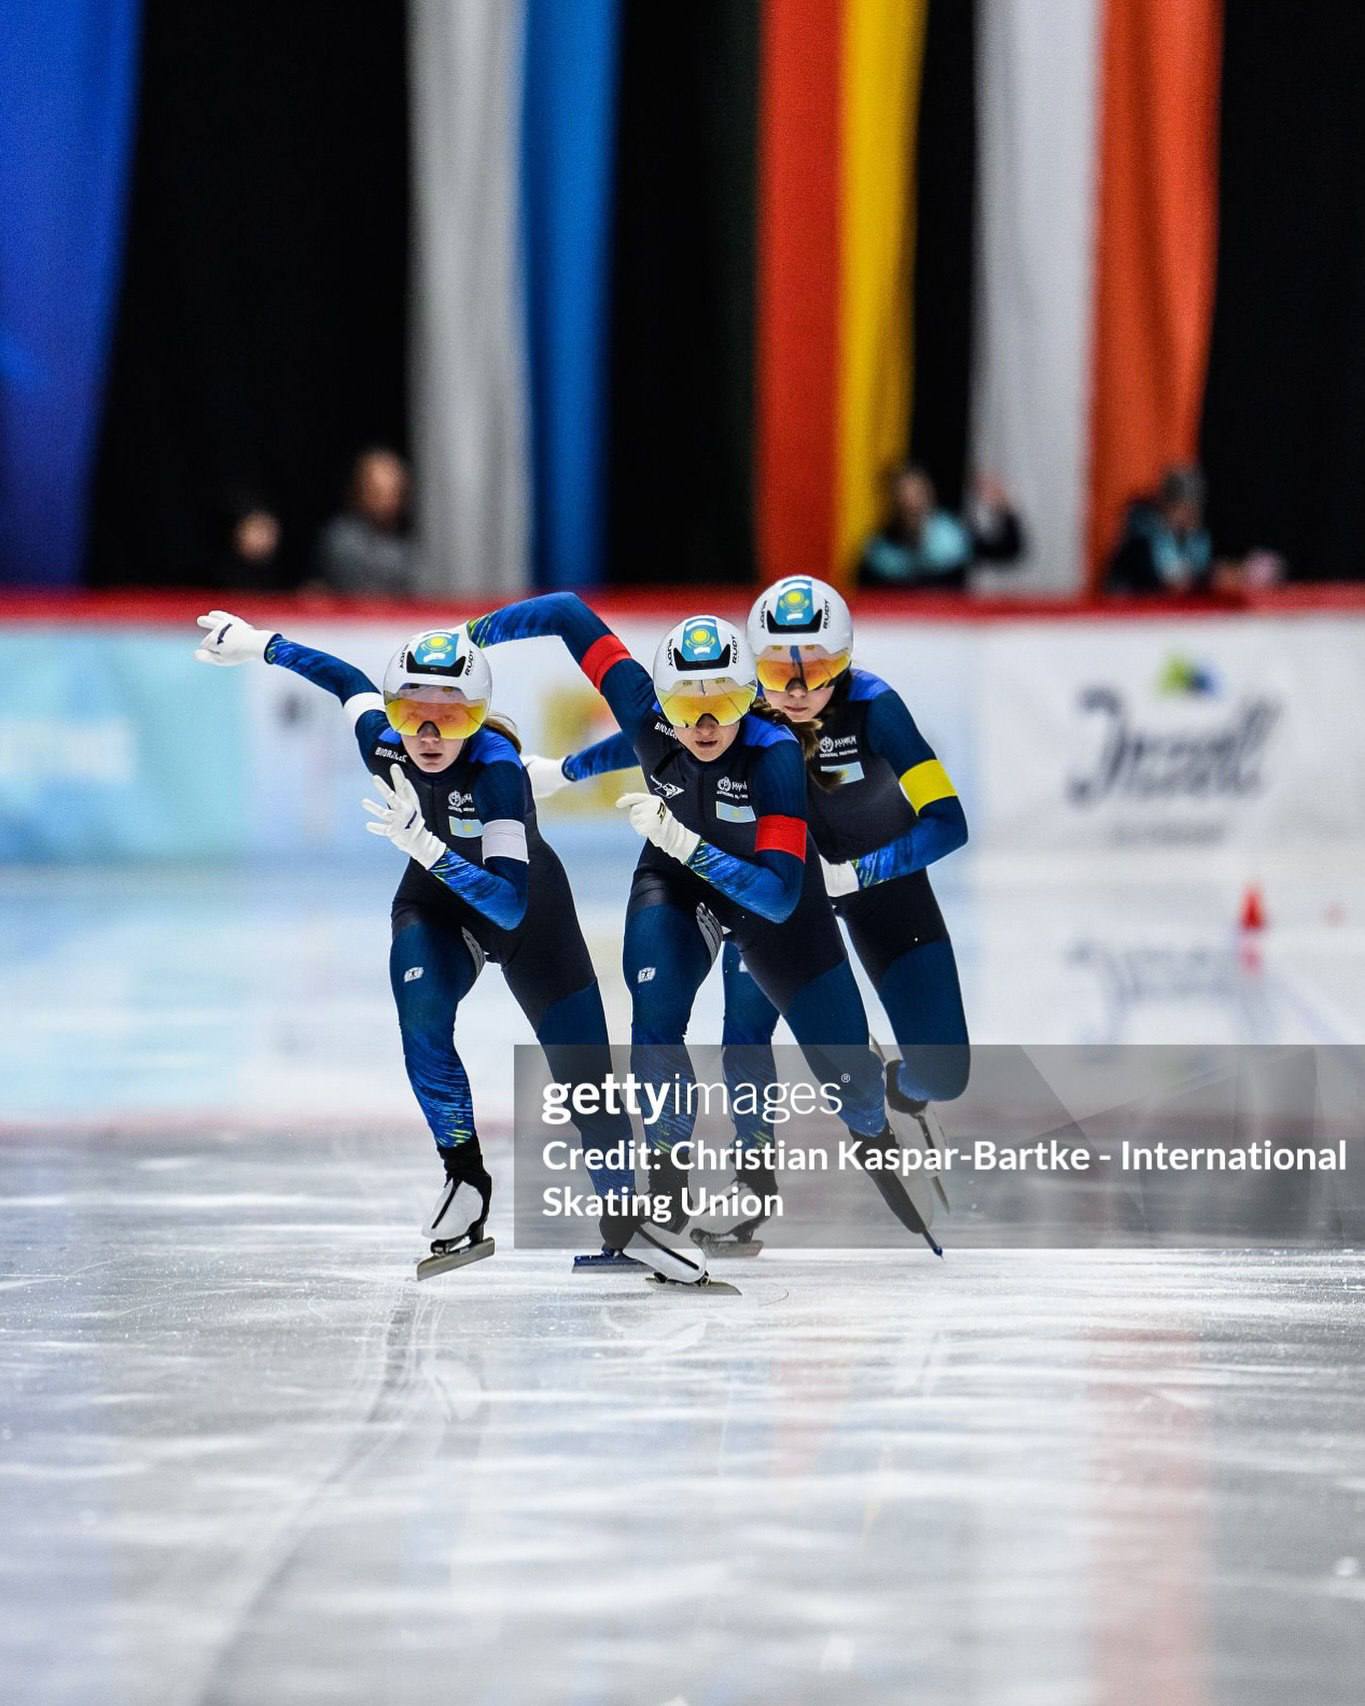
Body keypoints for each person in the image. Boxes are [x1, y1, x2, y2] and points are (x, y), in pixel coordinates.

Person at [192, 609, 709, 1286]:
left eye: (452, 717)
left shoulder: (497, 772)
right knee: (423, 1017)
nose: (430, 735)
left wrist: (429, 848)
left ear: (479, 718)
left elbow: (507, 901)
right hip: (434, 907)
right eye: (414, 715)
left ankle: (625, 1217)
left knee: (585, 1078)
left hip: (527, 914)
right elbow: (346, 679)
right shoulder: (382, 742)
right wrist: (263, 646)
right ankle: (464, 1178)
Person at [468, 592, 943, 1257]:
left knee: (801, 1056)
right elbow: (567, 616)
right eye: (687, 707)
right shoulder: (644, 711)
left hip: (768, 886)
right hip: (676, 878)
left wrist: (687, 842)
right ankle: (666, 1185)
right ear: (659, 703)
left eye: (722, 703)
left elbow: (778, 898)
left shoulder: (773, 752)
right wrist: (471, 639)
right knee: (655, 1008)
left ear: (749, 699)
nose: (705, 724)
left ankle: (870, 1132)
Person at [858, 465, 1023, 589]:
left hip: (950, 624)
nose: (911, 502)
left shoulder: (953, 536)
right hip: (899, 627)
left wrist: (1003, 510)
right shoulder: (880, 550)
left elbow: (1007, 550)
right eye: (904, 494)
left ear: (930, 495)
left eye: (918, 492)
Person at [316, 447, 416, 598]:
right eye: (377, 492)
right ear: (359, 489)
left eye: (394, 492)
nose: (387, 501)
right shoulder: (341, 539)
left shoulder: (407, 544)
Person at [1104, 465, 1213, 594]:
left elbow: (1195, 571)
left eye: (1193, 510)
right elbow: (1159, 578)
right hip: (1134, 606)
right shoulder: (1141, 532)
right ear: (1167, 505)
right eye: (1185, 508)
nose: (1189, 516)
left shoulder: (1193, 533)